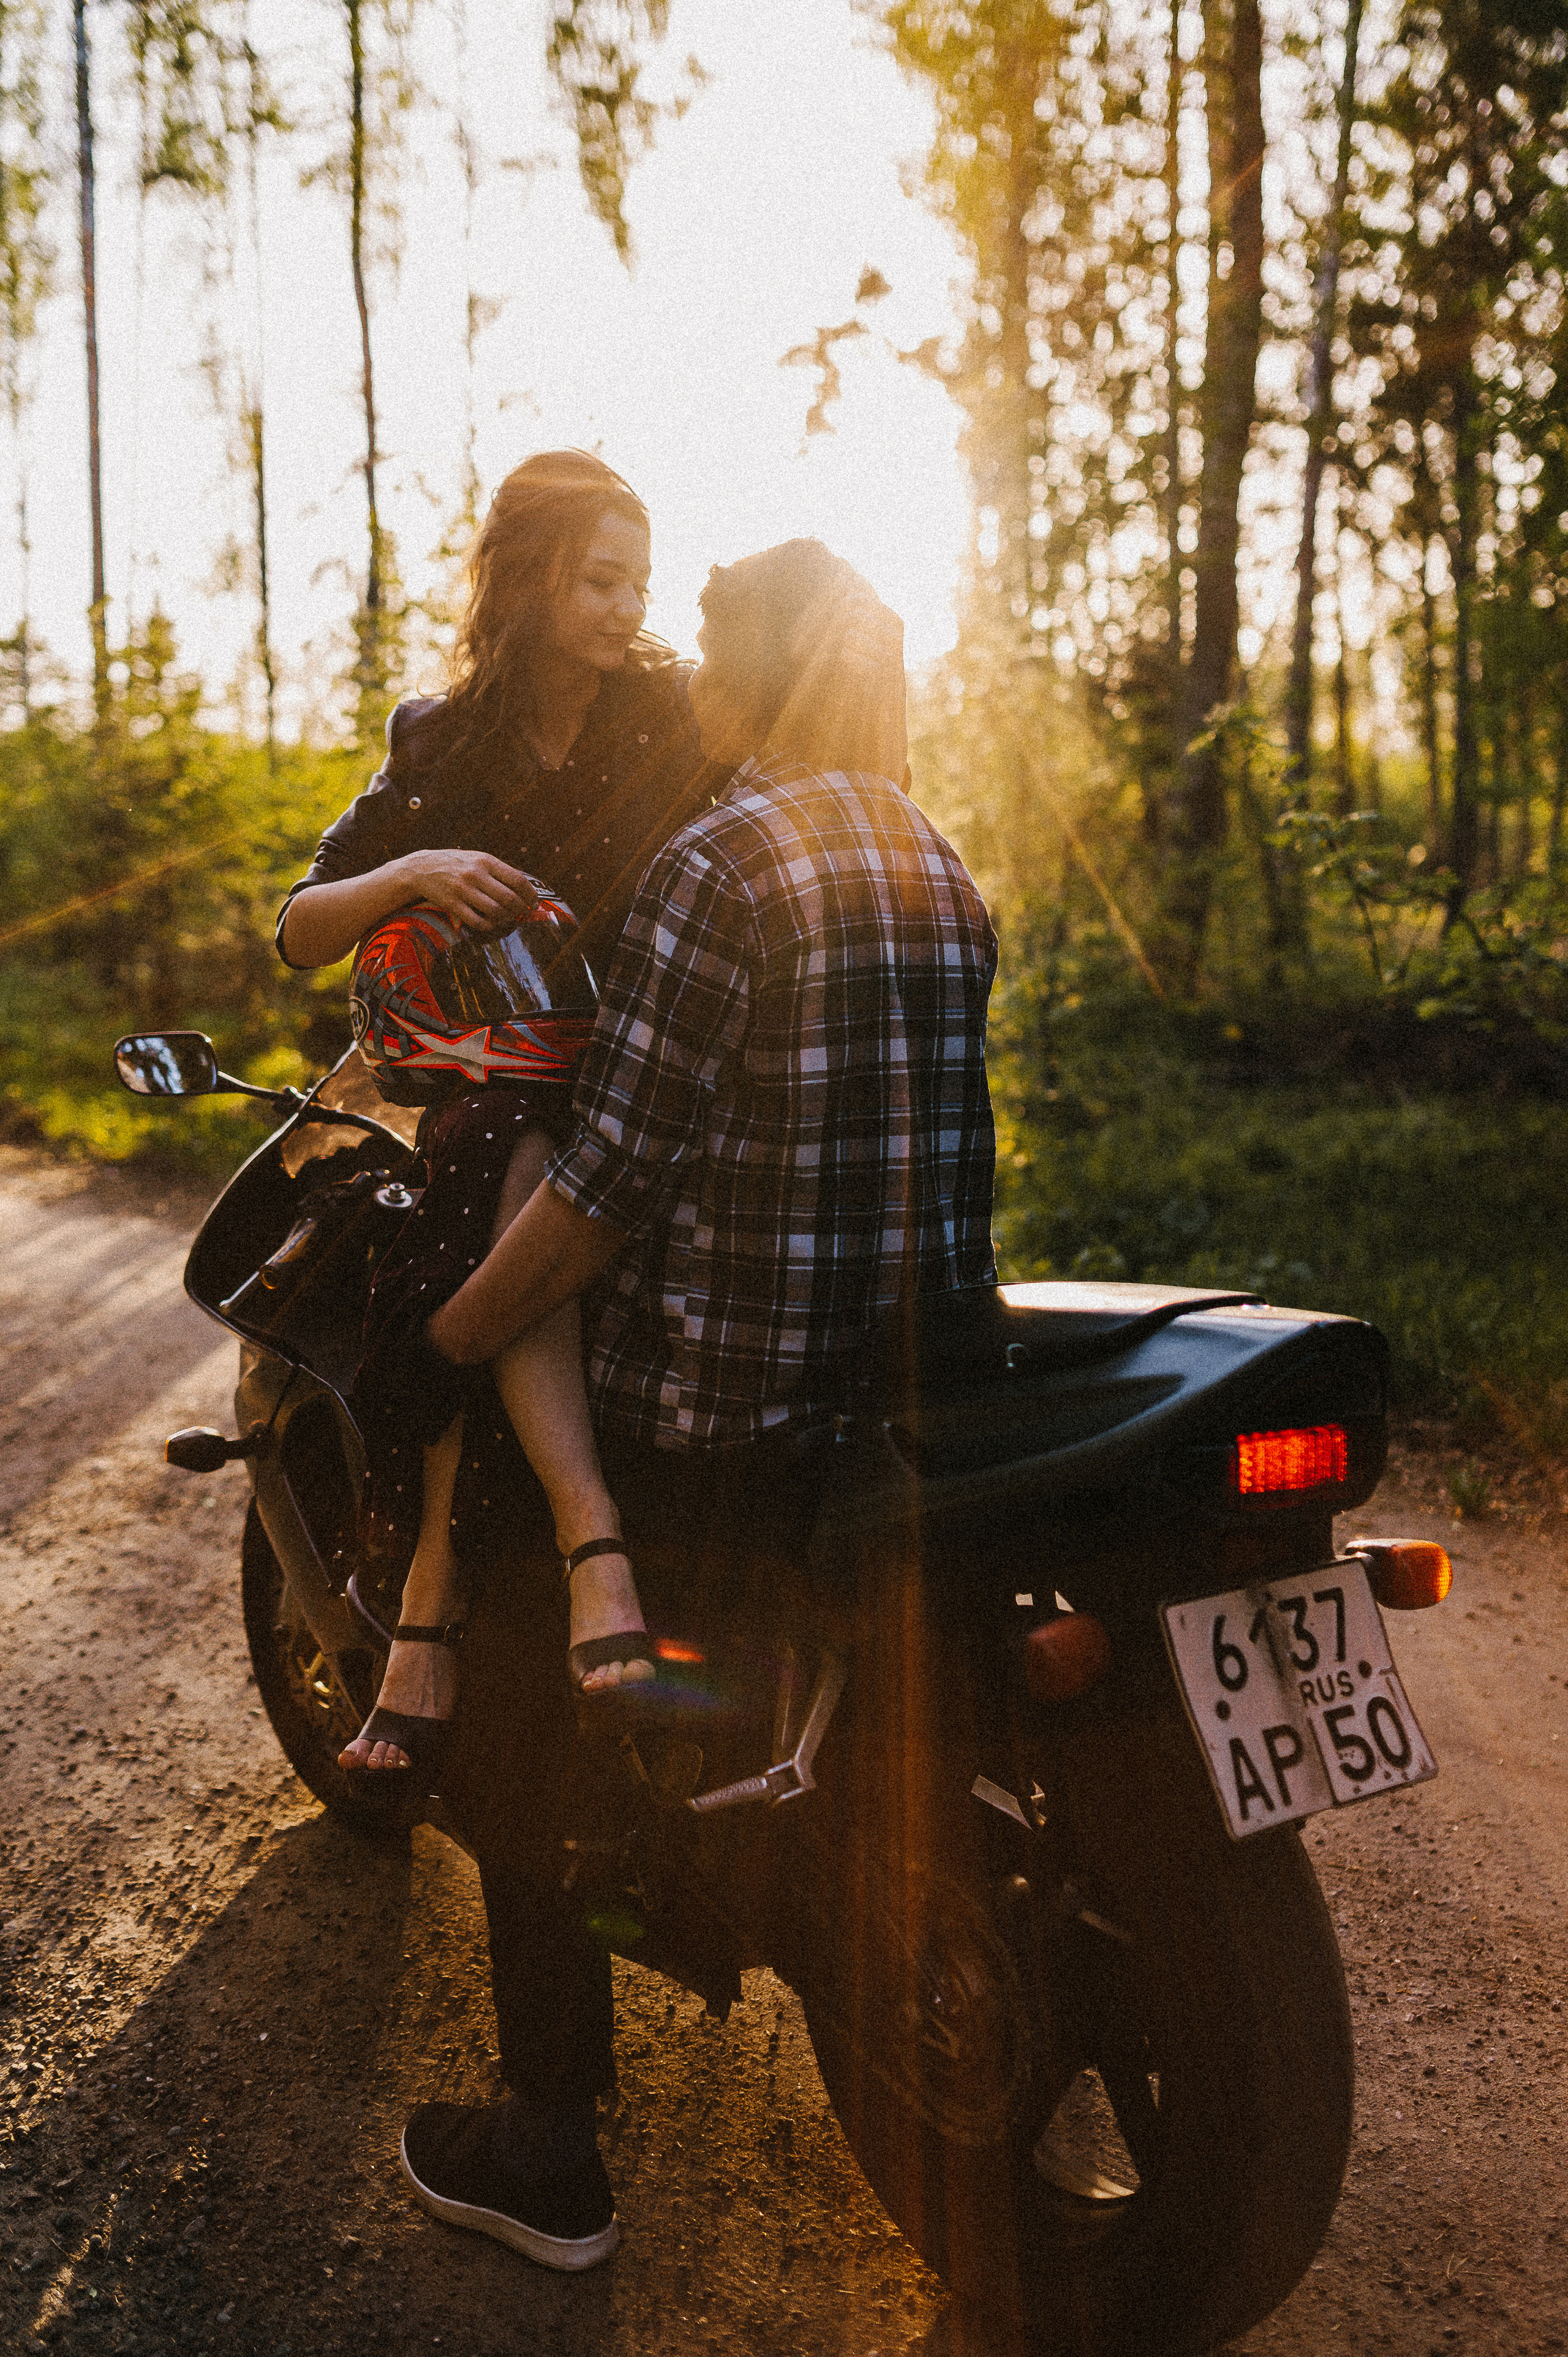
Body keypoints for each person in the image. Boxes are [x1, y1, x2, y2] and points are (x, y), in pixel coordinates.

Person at [392, 537, 999, 2269]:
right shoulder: (938, 860)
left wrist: (450, 1336)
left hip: (714, 1416)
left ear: (747, 680)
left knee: (507, 1660)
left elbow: (597, 1196)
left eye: (703, 644)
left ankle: (550, 2141)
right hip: (879, 1403)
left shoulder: (720, 865)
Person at [273, 451, 714, 1771]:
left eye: (638, 579)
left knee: (486, 1158)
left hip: (645, 1067)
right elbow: (300, 932)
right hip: (494, 1088)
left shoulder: (676, 716)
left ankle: (439, 1598)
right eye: (597, 578)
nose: (625, 605)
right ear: (525, 580)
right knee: (485, 1141)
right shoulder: (439, 741)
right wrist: (413, 867)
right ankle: (582, 1553)